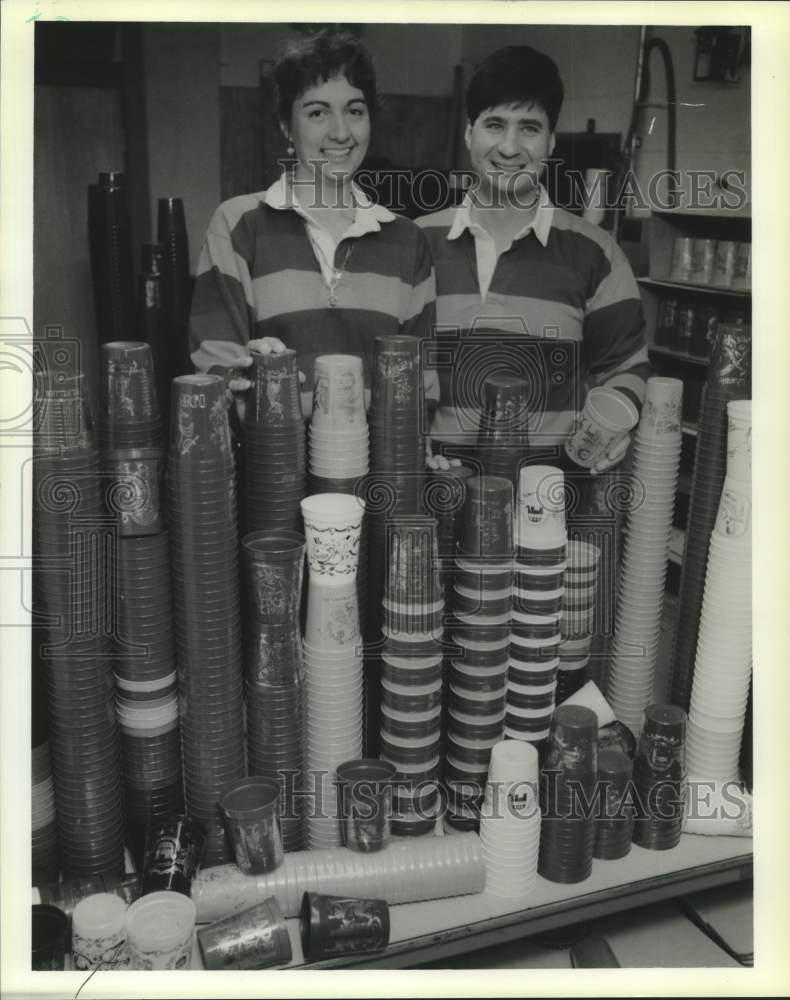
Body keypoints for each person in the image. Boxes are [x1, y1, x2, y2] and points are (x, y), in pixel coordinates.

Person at [418, 45, 650, 476]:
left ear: (550, 141)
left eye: (528, 128)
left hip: (548, 503)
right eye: (494, 124)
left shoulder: (596, 253)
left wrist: (615, 425)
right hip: (435, 498)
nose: (509, 147)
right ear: (469, 134)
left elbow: (626, 368)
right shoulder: (415, 243)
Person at [188, 28, 436, 420]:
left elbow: (422, 386)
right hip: (270, 473)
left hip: (374, 474)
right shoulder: (237, 226)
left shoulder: (408, 241)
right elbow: (213, 370)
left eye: (354, 110)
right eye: (317, 112)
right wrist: (244, 374)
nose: (340, 132)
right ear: (287, 127)